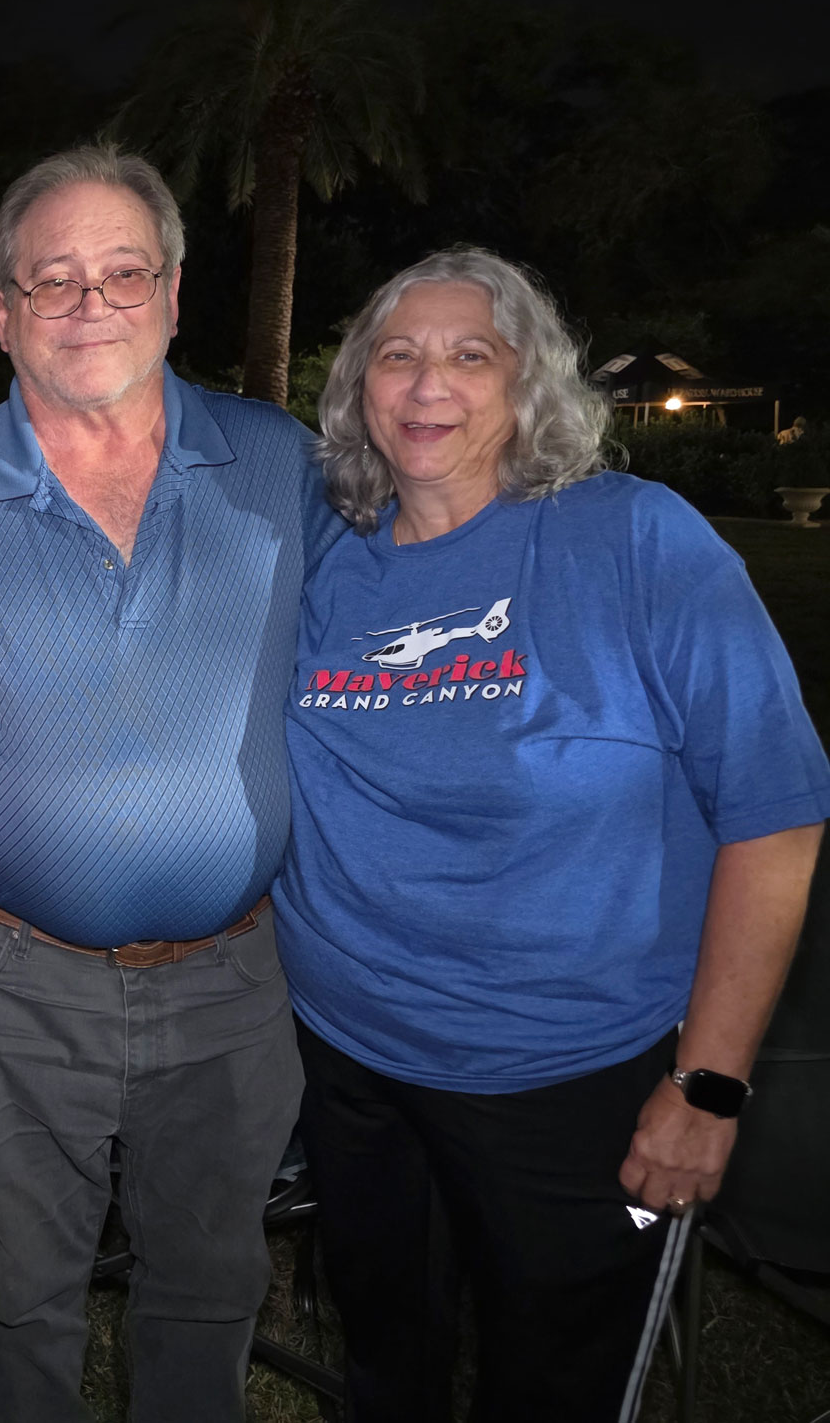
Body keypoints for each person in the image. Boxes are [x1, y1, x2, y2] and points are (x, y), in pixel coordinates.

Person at [273, 246, 830, 1423]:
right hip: (353, 1060)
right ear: (359, 390)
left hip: (572, 1081)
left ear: (529, 385)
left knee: (559, 1375)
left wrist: (709, 1086)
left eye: (471, 355)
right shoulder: (326, 558)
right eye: (398, 355)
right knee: (387, 1355)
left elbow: (775, 814)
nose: (429, 384)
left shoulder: (636, 538)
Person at [0, 145, 342, 1423]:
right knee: (21, 1289)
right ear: (4, 311)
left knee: (211, 1281)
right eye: (54, 279)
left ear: (174, 295)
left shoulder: (282, 468)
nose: (90, 304)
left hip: (240, 978)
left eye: (123, 273)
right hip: (18, 985)